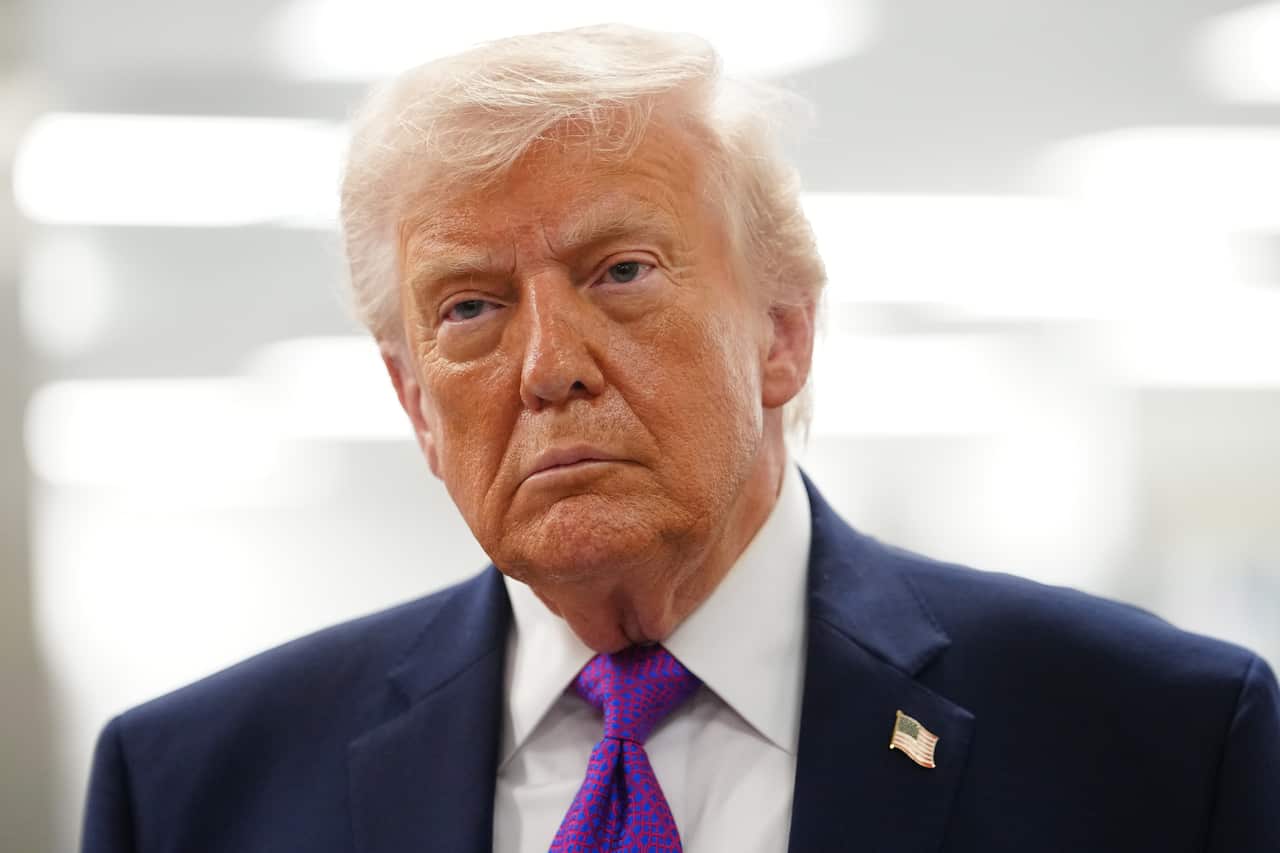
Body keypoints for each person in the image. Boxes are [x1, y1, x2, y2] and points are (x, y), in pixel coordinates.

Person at [81, 24, 1278, 853]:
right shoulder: (197, 785)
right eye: (468, 307)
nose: (547, 364)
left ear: (783, 334)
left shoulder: (1150, 742)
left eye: (621, 272)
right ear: (411, 403)